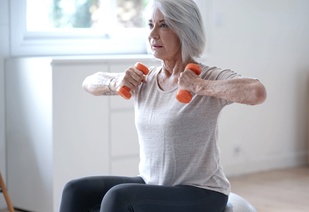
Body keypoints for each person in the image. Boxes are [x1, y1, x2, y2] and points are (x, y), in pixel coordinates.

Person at [59, 0, 266, 211]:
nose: (152, 34)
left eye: (164, 25)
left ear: (185, 30)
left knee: (119, 197)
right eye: (150, 25)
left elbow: (256, 91)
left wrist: (200, 86)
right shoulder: (144, 79)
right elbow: (89, 82)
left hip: (202, 192)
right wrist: (116, 81)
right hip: (153, 183)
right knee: (76, 190)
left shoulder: (206, 76)